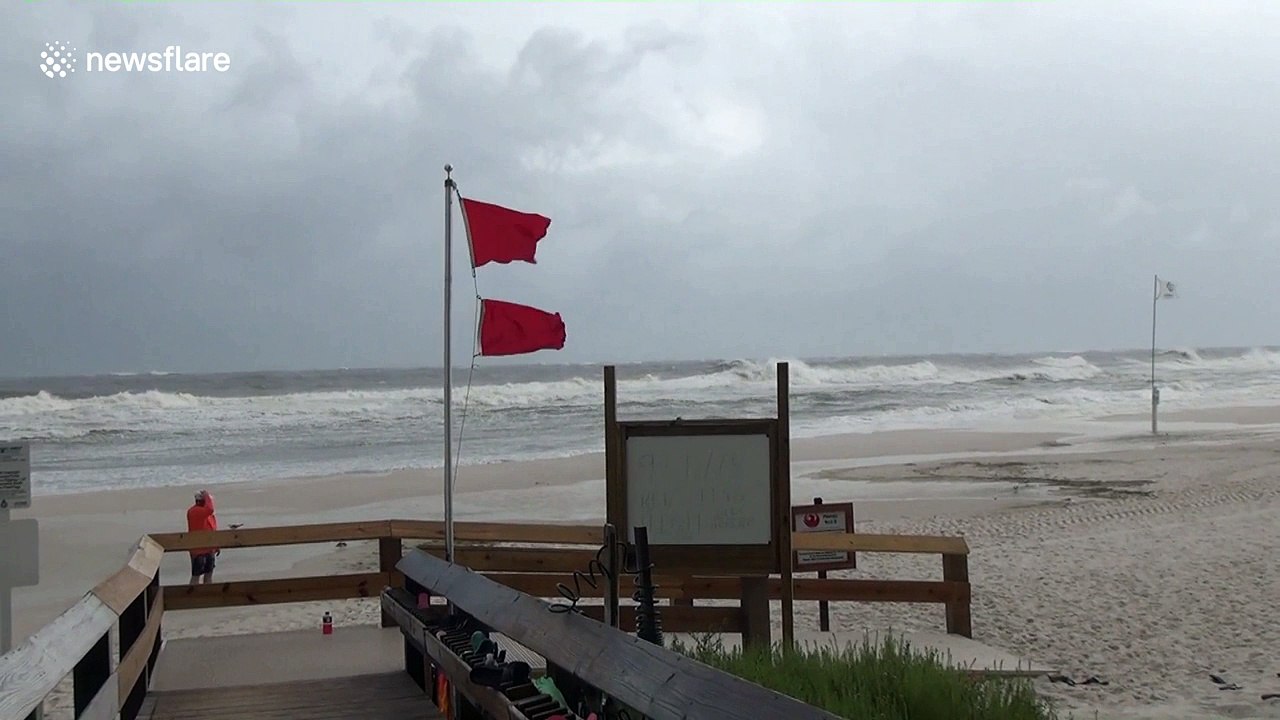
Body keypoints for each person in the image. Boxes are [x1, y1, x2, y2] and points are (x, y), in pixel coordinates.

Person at [186, 489, 219, 585]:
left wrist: (216, 545)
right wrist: (207, 495)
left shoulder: (207, 514)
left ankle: (207, 594)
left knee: (209, 574)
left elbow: (213, 529)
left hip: (209, 548)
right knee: (196, 575)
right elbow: (210, 509)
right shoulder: (194, 511)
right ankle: (192, 596)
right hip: (198, 550)